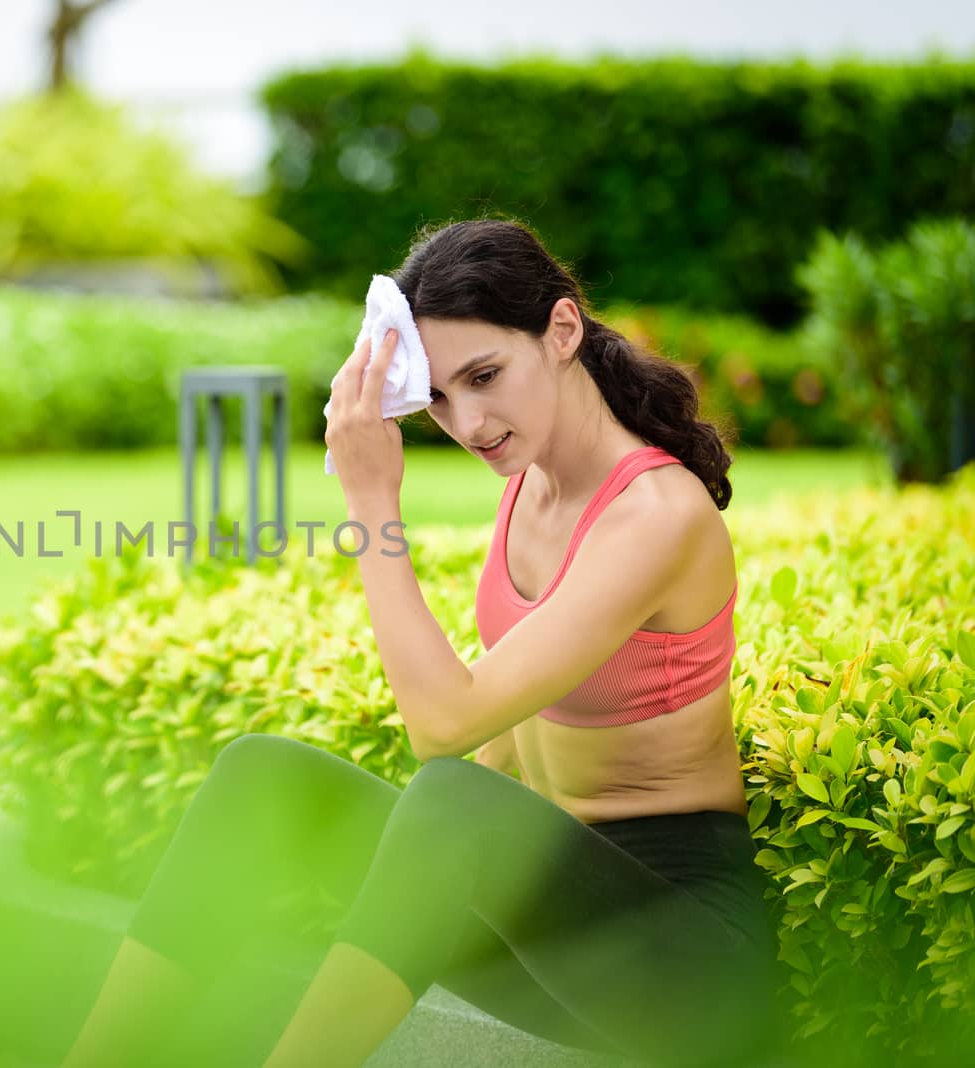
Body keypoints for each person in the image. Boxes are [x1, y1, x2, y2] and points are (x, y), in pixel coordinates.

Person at [58, 217, 785, 1068]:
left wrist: (374, 502)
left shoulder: (655, 516)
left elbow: (446, 730)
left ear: (561, 329)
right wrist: (414, 879)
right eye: (438, 397)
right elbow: (503, 758)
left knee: (450, 796)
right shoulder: (533, 487)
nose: (469, 422)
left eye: (485, 376)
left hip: (683, 958)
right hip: (555, 936)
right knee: (263, 777)